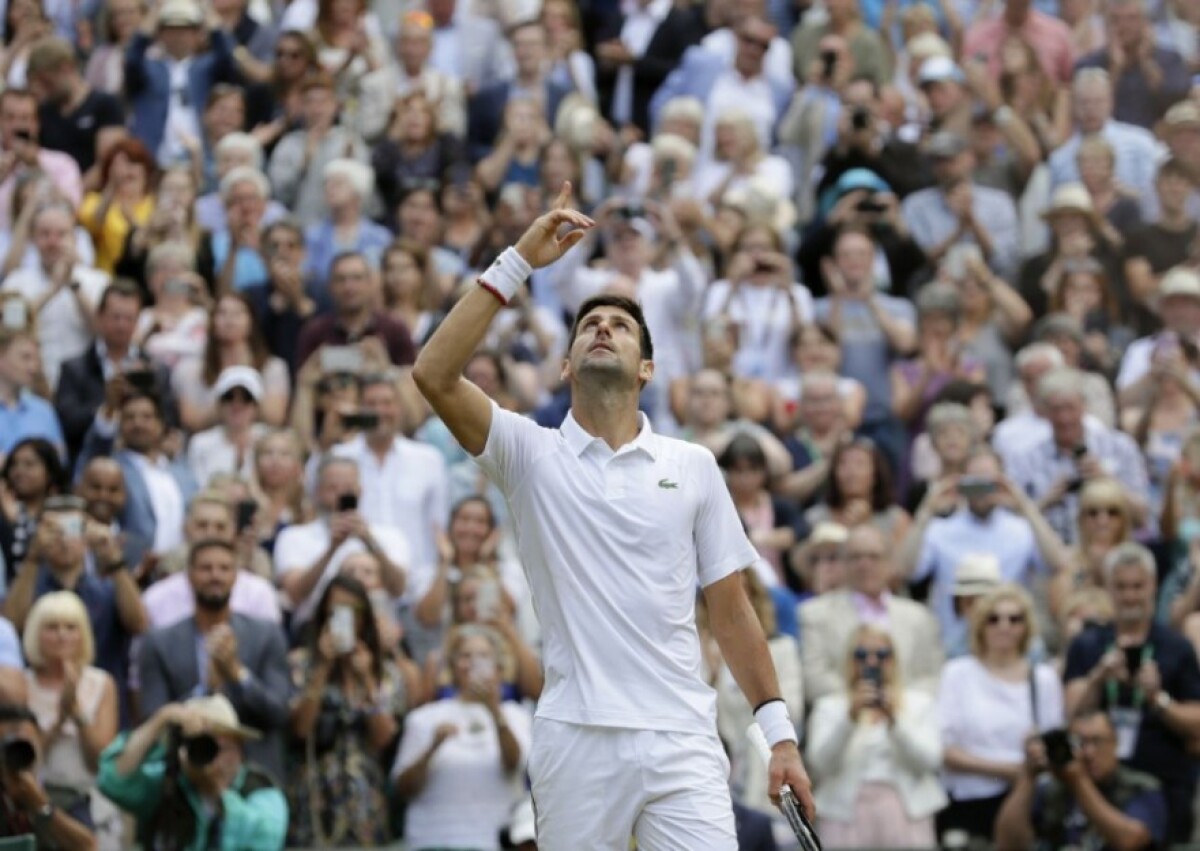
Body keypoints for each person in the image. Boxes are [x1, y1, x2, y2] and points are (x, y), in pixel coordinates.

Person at [412, 183, 813, 845]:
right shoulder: (527, 452)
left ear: (648, 367)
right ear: (565, 364)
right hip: (575, 739)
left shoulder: (692, 465)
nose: (603, 327)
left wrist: (781, 738)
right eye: (589, 324)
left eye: (621, 325)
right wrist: (519, 260)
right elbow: (432, 371)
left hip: (682, 736)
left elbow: (732, 609)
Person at [1063, 542, 1200, 842]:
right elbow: (1070, 713)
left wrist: (1158, 700)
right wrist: (1099, 677)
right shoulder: (1088, 644)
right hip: (1098, 783)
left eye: (1137, 586)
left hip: (1164, 782)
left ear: (1152, 586)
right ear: (1108, 589)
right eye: (1121, 587)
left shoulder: (1176, 647)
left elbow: (1197, 721)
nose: (1130, 596)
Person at [936, 584, 1065, 843]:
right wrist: (1008, 770)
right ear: (980, 626)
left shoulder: (1044, 678)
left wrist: (1035, 757)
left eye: (1014, 619)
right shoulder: (957, 673)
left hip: (1028, 801)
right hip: (969, 802)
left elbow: (1056, 745)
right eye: (994, 619)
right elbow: (944, 748)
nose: (1004, 626)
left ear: (1025, 627)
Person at [286, 574, 407, 847]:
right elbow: (301, 730)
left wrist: (365, 681)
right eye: (336, 611)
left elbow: (384, 739)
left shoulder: (383, 673)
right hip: (313, 796)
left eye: (354, 611)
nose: (345, 619)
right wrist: (323, 668)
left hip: (363, 799)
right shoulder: (300, 664)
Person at [806, 624, 945, 847]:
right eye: (861, 654)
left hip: (908, 813)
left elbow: (930, 761)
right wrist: (849, 718)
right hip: (844, 815)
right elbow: (820, 764)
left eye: (882, 654)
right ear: (850, 660)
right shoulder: (830, 706)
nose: (872, 662)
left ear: (895, 659)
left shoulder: (919, 703)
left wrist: (895, 721)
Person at [97, 694, 288, 851]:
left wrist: (217, 795)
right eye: (204, 747)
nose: (214, 757)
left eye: (223, 747)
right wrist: (160, 720)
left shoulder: (260, 789)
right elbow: (113, 781)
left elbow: (266, 838)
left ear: (240, 750)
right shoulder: (167, 784)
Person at [22, 591, 121, 851]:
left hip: (85, 800)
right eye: (52, 628)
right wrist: (58, 721)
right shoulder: (21, 684)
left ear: (83, 634)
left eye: (71, 627)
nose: (62, 635)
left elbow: (100, 760)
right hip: (35, 799)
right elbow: (23, 759)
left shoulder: (102, 683)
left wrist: (76, 713)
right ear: (35, 633)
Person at [799, 525, 943, 702]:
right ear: (843, 563)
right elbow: (814, 677)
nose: (865, 564)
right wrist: (858, 698)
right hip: (844, 717)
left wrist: (898, 700)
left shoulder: (919, 617)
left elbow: (933, 676)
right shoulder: (814, 614)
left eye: (874, 557)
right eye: (856, 557)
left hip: (908, 717)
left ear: (890, 562)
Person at [994, 708, 1167, 851]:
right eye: (1080, 743)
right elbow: (1007, 845)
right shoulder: (1053, 788)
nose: (1089, 753)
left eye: (1097, 741)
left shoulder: (1140, 787)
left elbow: (1132, 841)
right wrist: (1028, 776)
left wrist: (1079, 782)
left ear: (1115, 743)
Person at [330, 372, 449, 578]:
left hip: (417, 581)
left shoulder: (429, 459)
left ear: (400, 408)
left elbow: (439, 523)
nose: (380, 411)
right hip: (356, 578)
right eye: (371, 403)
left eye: (387, 403)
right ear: (359, 409)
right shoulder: (338, 456)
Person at [273, 456, 409, 627]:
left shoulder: (389, 536)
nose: (341, 494)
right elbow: (295, 594)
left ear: (360, 491)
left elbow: (398, 588)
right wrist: (331, 549)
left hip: (375, 631)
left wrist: (369, 540)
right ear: (317, 492)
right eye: (333, 488)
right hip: (314, 629)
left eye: (348, 488)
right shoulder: (293, 536)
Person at [0, 702, 97, 849]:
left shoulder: (64, 798)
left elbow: (88, 846)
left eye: (26, 747)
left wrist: (41, 807)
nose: (17, 756)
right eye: (8, 748)